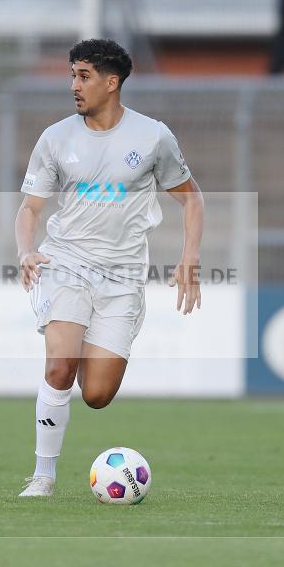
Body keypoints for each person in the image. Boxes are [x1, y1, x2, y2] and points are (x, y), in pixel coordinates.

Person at [14, 38, 204, 497]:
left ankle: (81, 350)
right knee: (60, 366)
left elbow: (191, 198)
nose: (74, 85)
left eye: (84, 76)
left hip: (122, 276)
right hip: (67, 262)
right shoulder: (56, 138)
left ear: (111, 81)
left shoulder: (153, 137)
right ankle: (43, 475)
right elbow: (30, 209)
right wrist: (25, 250)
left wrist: (189, 258)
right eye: (72, 75)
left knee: (97, 394)